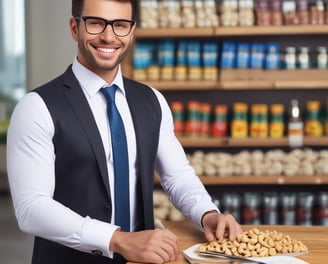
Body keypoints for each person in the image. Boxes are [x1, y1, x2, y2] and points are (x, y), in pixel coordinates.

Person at [7, 0, 242, 263]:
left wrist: (206, 214)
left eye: (120, 25)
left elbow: (177, 175)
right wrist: (118, 239)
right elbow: (31, 208)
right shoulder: (36, 107)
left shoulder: (152, 100)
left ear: (131, 32)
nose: (108, 36)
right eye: (96, 23)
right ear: (75, 27)